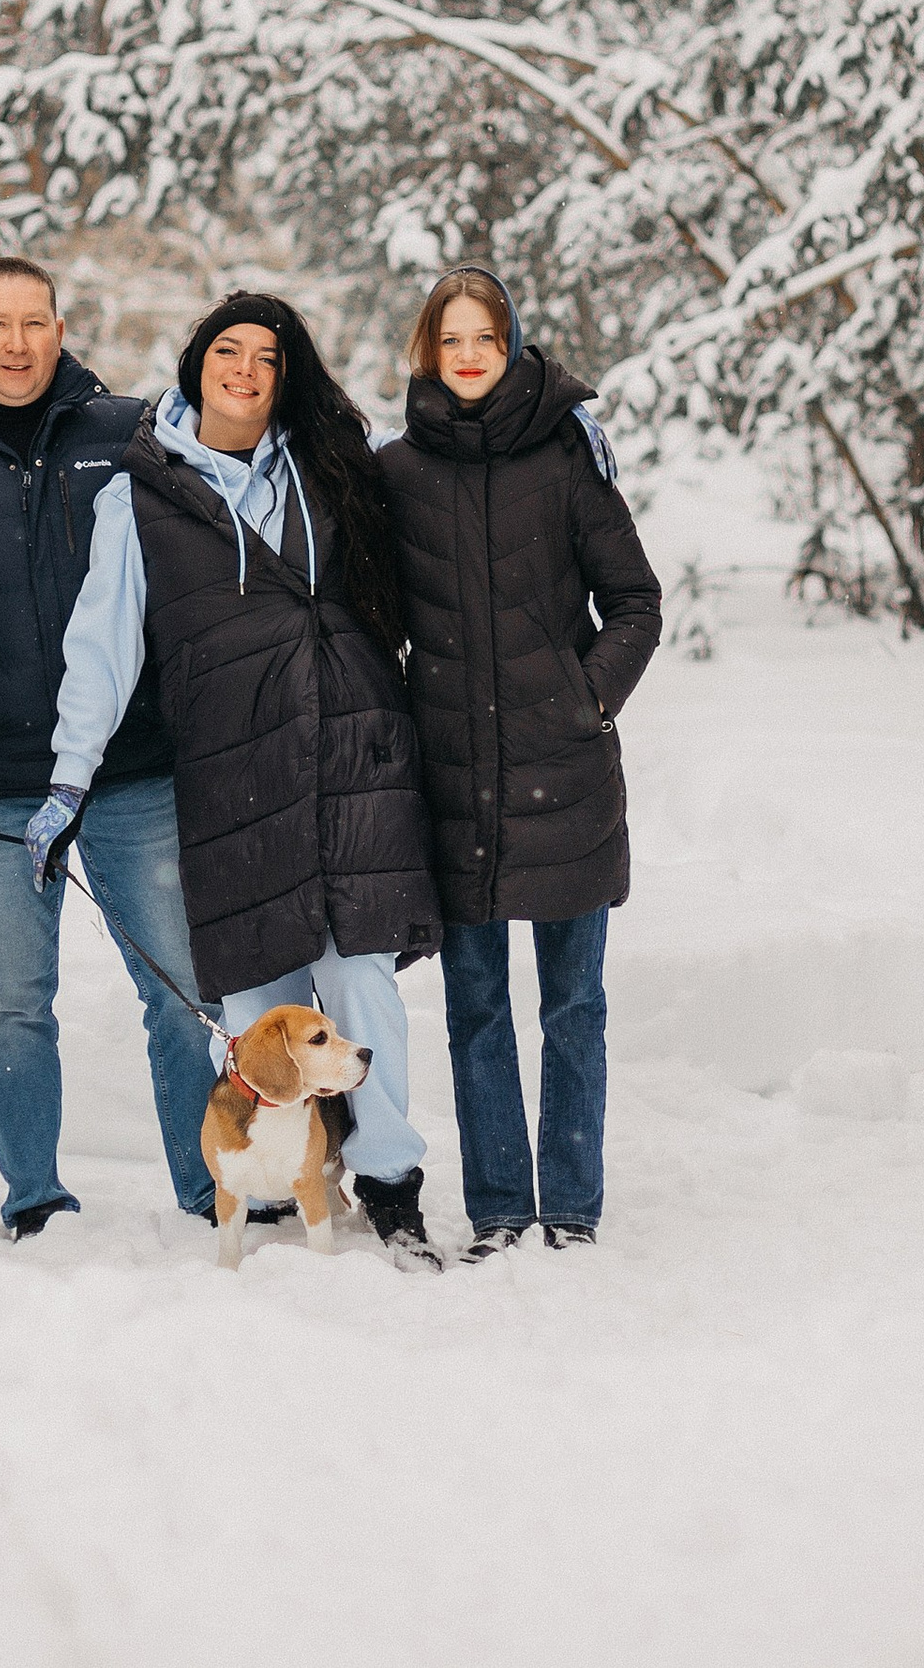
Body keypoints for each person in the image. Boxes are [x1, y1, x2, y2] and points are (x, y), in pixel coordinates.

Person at [38, 292, 448, 1268]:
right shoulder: (139, 497)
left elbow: (445, 467)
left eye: (268, 356)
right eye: (229, 349)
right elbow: (100, 648)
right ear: (197, 364)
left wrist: (549, 434)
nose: (247, 370)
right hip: (234, 776)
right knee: (255, 1009)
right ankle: (278, 1180)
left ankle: (391, 1186)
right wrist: (67, 780)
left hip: (351, 756)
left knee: (359, 984)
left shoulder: (336, 461)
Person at [0, 257, 218, 1238]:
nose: (17, 343)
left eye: (34, 322)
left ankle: (209, 1189)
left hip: (129, 766)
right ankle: (34, 1197)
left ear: (60, 329)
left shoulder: (120, 432)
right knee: (12, 1005)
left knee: (181, 993)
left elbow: (232, 496)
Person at [376, 268, 660, 1257]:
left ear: (510, 345)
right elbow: (376, 616)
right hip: (455, 787)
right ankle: (499, 1206)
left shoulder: (566, 456)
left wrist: (587, 698)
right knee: (477, 1009)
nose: (468, 356)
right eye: (450, 339)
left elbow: (635, 601)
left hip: (565, 779)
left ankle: (571, 1207)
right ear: (428, 350)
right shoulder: (398, 471)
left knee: (573, 1006)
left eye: (484, 339)